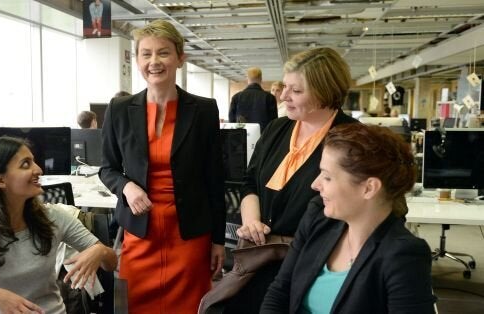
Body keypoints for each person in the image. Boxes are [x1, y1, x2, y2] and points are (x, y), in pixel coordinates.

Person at [99, 19, 225, 314]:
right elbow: (107, 168)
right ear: (137, 59)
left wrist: (218, 240)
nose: (154, 61)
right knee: (137, 306)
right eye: (146, 54)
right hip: (140, 232)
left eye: (163, 53)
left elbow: (214, 180)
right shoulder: (119, 110)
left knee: (188, 306)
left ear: (180, 58)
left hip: (190, 234)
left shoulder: (204, 110)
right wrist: (126, 187)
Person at [229, 47, 359, 313]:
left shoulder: (353, 139)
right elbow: (251, 181)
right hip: (261, 257)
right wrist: (251, 220)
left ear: (325, 92)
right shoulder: (277, 128)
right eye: (285, 87)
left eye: (296, 91)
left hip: (314, 261)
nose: (283, 96)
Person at [260, 123, 436, 313]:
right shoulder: (317, 217)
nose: (315, 184)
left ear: (369, 188)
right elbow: (279, 291)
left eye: (327, 177)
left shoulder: (403, 255)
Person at [0, 136, 117, 313]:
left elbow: (111, 263)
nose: (38, 170)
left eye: (33, 161)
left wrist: (99, 251)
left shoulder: (55, 217)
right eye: (26, 164)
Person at [229, 67, 277, 131]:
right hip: (263, 138)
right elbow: (274, 123)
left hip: (242, 137)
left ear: (247, 78)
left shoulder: (236, 97)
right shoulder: (270, 98)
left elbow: (232, 121)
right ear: (261, 79)